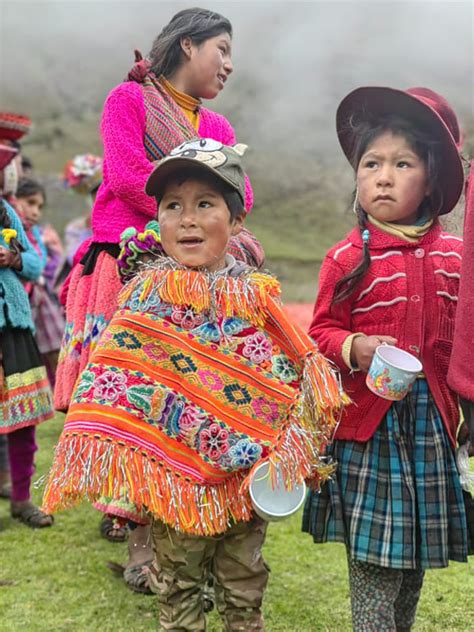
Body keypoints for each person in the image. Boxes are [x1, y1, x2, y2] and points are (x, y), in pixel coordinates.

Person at [43, 138, 346, 629]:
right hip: (174, 480)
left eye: (205, 204)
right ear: (155, 220)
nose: (186, 218)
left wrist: (285, 442)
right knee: (178, 585)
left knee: (243, 582)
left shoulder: (257, 299)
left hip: (246, 483)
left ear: (236, 220)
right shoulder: (144, 299)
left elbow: (294, 375)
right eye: (172, 206)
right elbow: (112, 379)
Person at [53, 6, 265, 584]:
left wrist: (207, 233)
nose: (228, 64)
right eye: (221, 48)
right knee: (136, 402)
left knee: (181, 401)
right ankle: (141, 546)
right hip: (130, 262)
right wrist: (189, 221)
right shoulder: (129, 102)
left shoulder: (217, 130)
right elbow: (125, 176)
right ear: (188, 45)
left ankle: (181, 523)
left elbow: (238, 197)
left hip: (193, 277)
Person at [302, 86, 468, 631]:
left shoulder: (457, 257)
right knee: (375, 563)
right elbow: (321, 330)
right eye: (371, 163)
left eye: (402, 163)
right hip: (368, 432)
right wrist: (356, 346)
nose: (384, 176)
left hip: (430, 427)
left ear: (432, 179)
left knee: (415, 559)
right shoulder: (346, 258)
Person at [0, 144, 55, 529]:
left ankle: (21, 499)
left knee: (23, 420)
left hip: (15, 327)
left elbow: (37, 265)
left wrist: (14, 259)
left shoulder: (7, 213)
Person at [15, 177, 65, 388]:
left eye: (40, 207)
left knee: (56, 348)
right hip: (19, 300)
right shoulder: (10, 229)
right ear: (13, 200)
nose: (36, 212)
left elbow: (39, 261)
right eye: (30, 203)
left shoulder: (35, 233)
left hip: (38, 298)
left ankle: (64, 392)